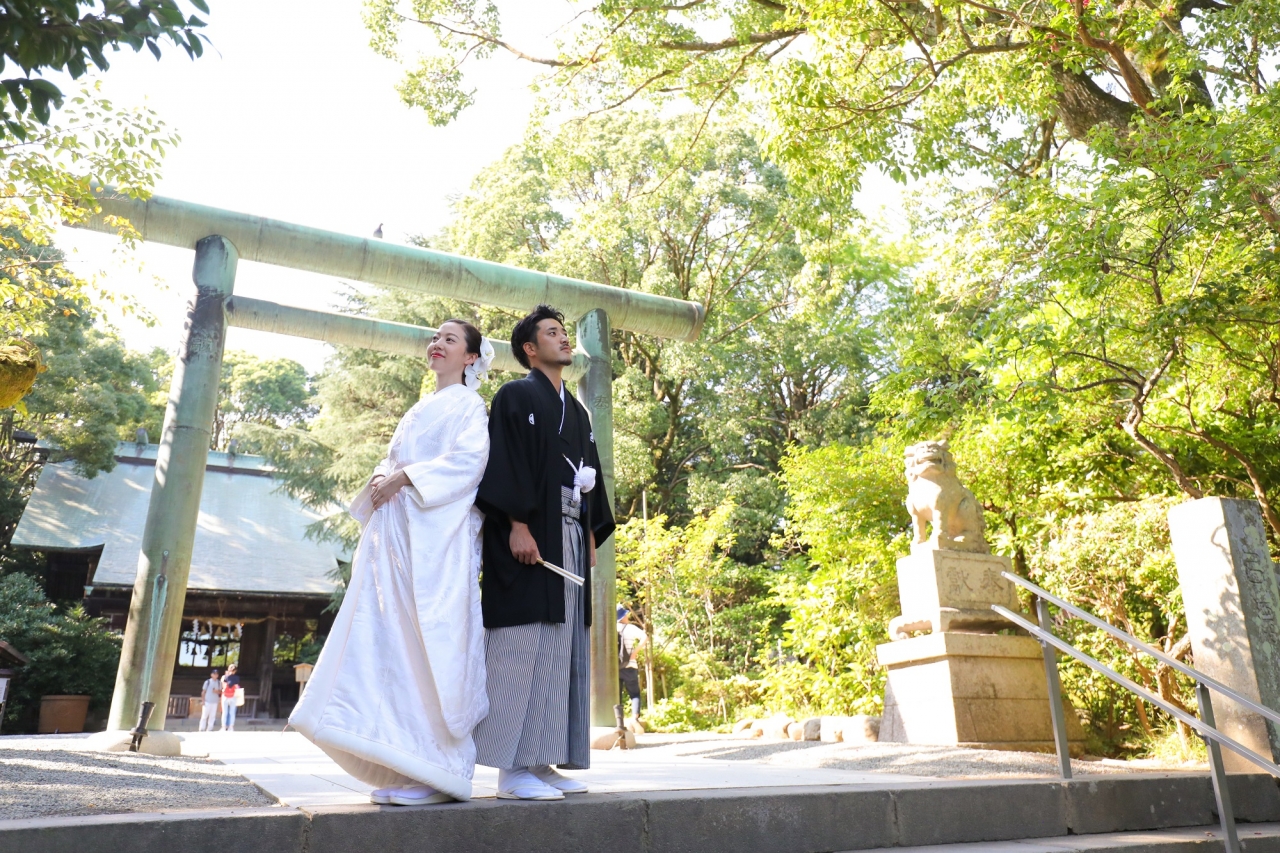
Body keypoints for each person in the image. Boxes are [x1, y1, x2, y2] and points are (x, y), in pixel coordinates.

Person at [290, 320, 495, 806]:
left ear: (470, 358)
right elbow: (392, 460)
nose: (437, 344)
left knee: (431, 644)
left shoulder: (469, 405)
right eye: (435, 338)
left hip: (436, 544)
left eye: (450, 339)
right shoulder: (419, 408)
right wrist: (387, 477)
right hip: (399, 540)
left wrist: (404, 478)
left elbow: (470, 463)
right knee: (389, 643)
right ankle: (402, 764)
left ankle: (439, 768)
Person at [472, 304, 616, 801]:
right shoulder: (515, 396)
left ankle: (543, 758)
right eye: (552, 333)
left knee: (563, 646)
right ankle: (510, 770)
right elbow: (504, 463)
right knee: (523, 644)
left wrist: (591, 533)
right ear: (530, 349)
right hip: (531, 532)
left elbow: (590, 472)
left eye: (564, 333)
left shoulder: (577, 410)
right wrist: (515, 523)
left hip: (570, 534)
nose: (564, 339)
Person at [616, 607, 646, 726]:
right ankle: (635, 719)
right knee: (634, 693)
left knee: (617, 696)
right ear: (622, 617)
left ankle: (619, 722)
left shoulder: (611, 628)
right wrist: (635, 652)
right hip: (630, 665)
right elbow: (645, 637)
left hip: (614, 668)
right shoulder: (631, 628)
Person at [220, 664, 240, 731]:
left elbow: (223, 686)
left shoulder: (225, 677)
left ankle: (223, 727)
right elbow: (237, 687)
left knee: (224, 712)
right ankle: (231, 727)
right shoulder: (237, 678)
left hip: (225, 695)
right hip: (233, 696)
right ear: (235, 671)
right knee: (232, 712)